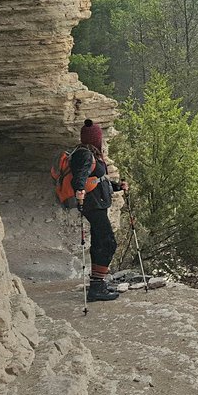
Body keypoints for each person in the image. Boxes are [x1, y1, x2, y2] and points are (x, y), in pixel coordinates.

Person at [70, 119, 128, 302]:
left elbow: (98, 180)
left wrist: (117, 186)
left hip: (97, 203)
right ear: (95, 139)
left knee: (99, 243)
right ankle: (96, 287)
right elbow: (80, 177)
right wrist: (79, 191)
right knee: (109, 242)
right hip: (93, 205)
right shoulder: (85, 154)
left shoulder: (88, 153)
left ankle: (98, 283)